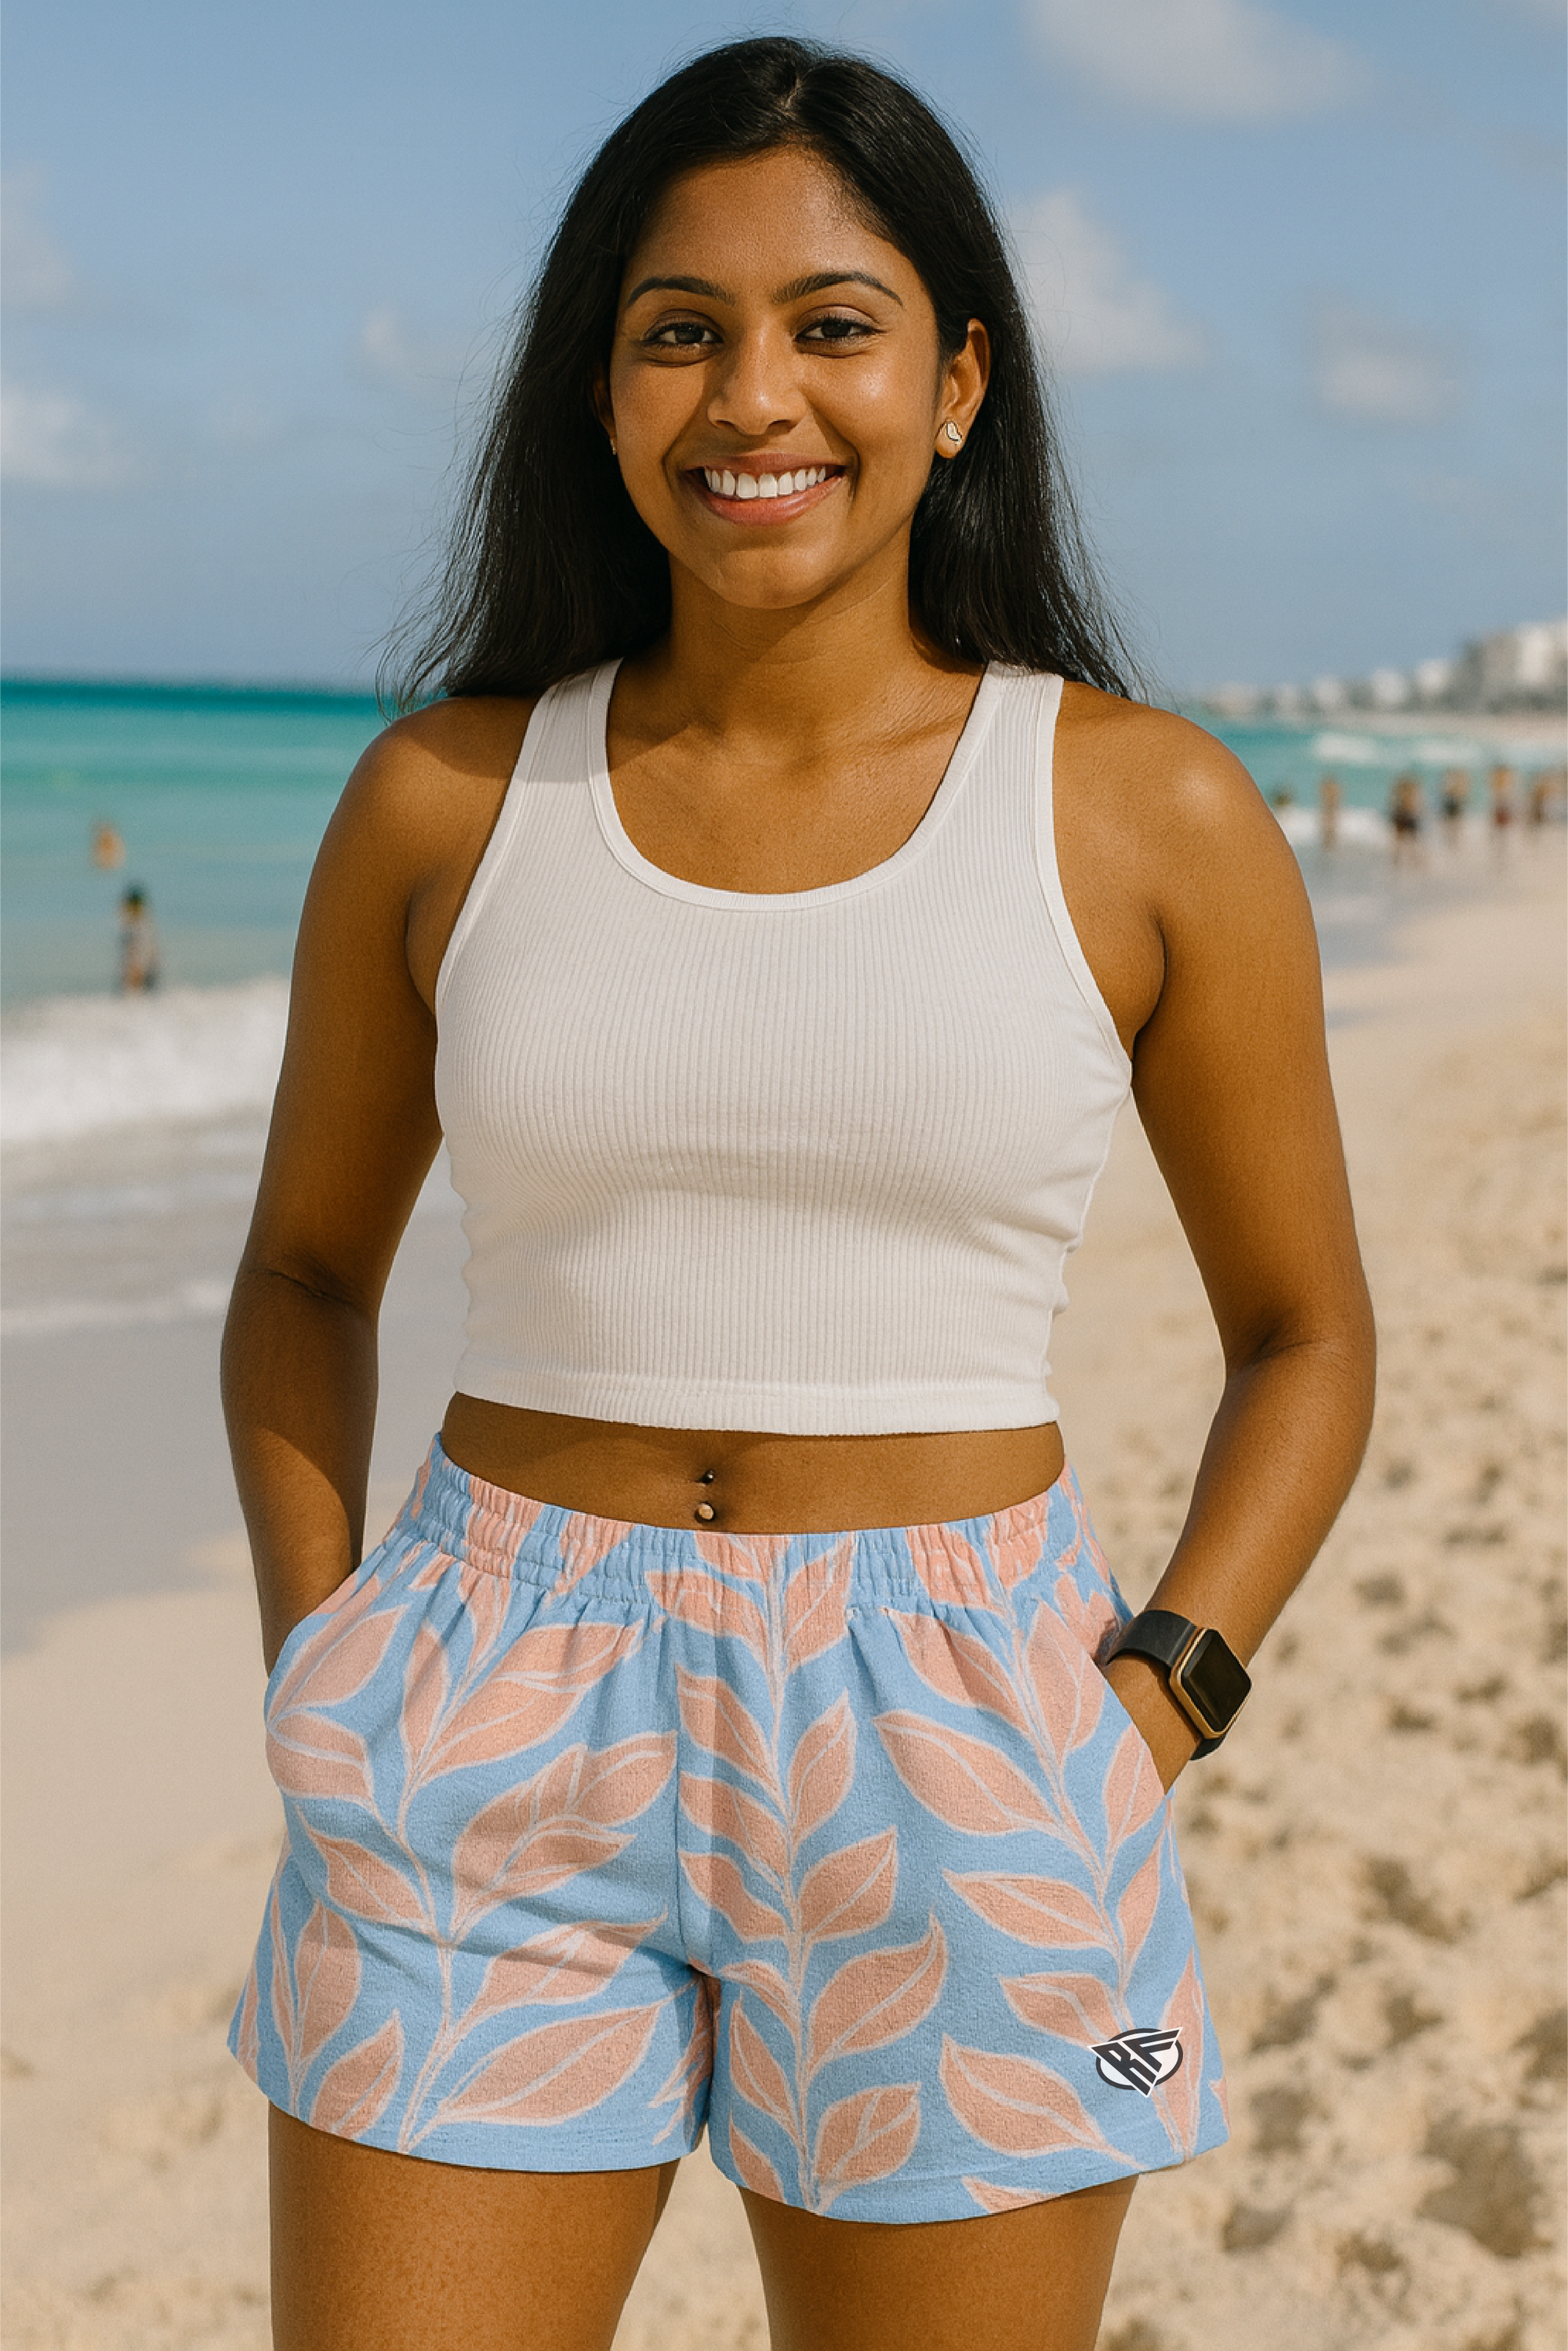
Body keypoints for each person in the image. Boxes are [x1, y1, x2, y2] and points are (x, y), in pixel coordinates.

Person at [221, 39, 1374, 2351]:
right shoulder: (446, 800)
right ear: (600, 387)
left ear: (954, 382)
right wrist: (322, 1648)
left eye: (831, 323)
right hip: (484, 1702)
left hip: (969, 1731)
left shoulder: (1144, 814)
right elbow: (306, 1271)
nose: (757, 395)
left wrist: (1153, 1703)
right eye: (680, 328)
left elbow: (1306, 1335)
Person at [118, 885, 160, 990]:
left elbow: (143, 945)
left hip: (141, 959)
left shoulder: (139, 923)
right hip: (141, 959)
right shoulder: (137, 922)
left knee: (139, 988)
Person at [1388, 771, 1425, 869]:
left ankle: (1400, 862)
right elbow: (1417, 808)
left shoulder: (1402, 792)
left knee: (1403, 842)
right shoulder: (1410, 792)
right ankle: (1409, 862)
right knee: (1407, 842)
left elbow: (1394, 805)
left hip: (1404, 818)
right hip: (1406, 818)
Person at [1439, 767, 1469, 845]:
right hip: (1449, 813)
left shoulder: (1460, 790)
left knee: (1456, 830)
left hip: (1457, 813)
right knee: (1449, 831)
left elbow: (1464, 798)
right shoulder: (1447, 790)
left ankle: (1455, 842)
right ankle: (1450, 842)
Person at [1318, 771, 1341, 851]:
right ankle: (1328, 842)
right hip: (1329, 811)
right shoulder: (1333, 790)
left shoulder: (1331, 790)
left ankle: (1328, 842)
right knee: (1329, 825)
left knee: (1329, 825)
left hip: (1329, 811)